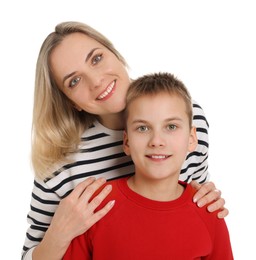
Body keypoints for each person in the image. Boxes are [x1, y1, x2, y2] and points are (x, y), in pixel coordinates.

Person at [22, 21, 228, 260]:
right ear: (71, 102)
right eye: (74, 81)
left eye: (96, 59)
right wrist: (59, 233)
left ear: (116, 54)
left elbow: (197, 195)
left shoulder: (191, 118)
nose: (96, 81)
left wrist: (209, 200)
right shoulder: (59, 166)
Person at [63, 72, 233, 259]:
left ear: (192, 138)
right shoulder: (95, 207)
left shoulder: (208, 210)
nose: (157, 141)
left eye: (171, 127)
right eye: (143, 128)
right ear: (126, 142)